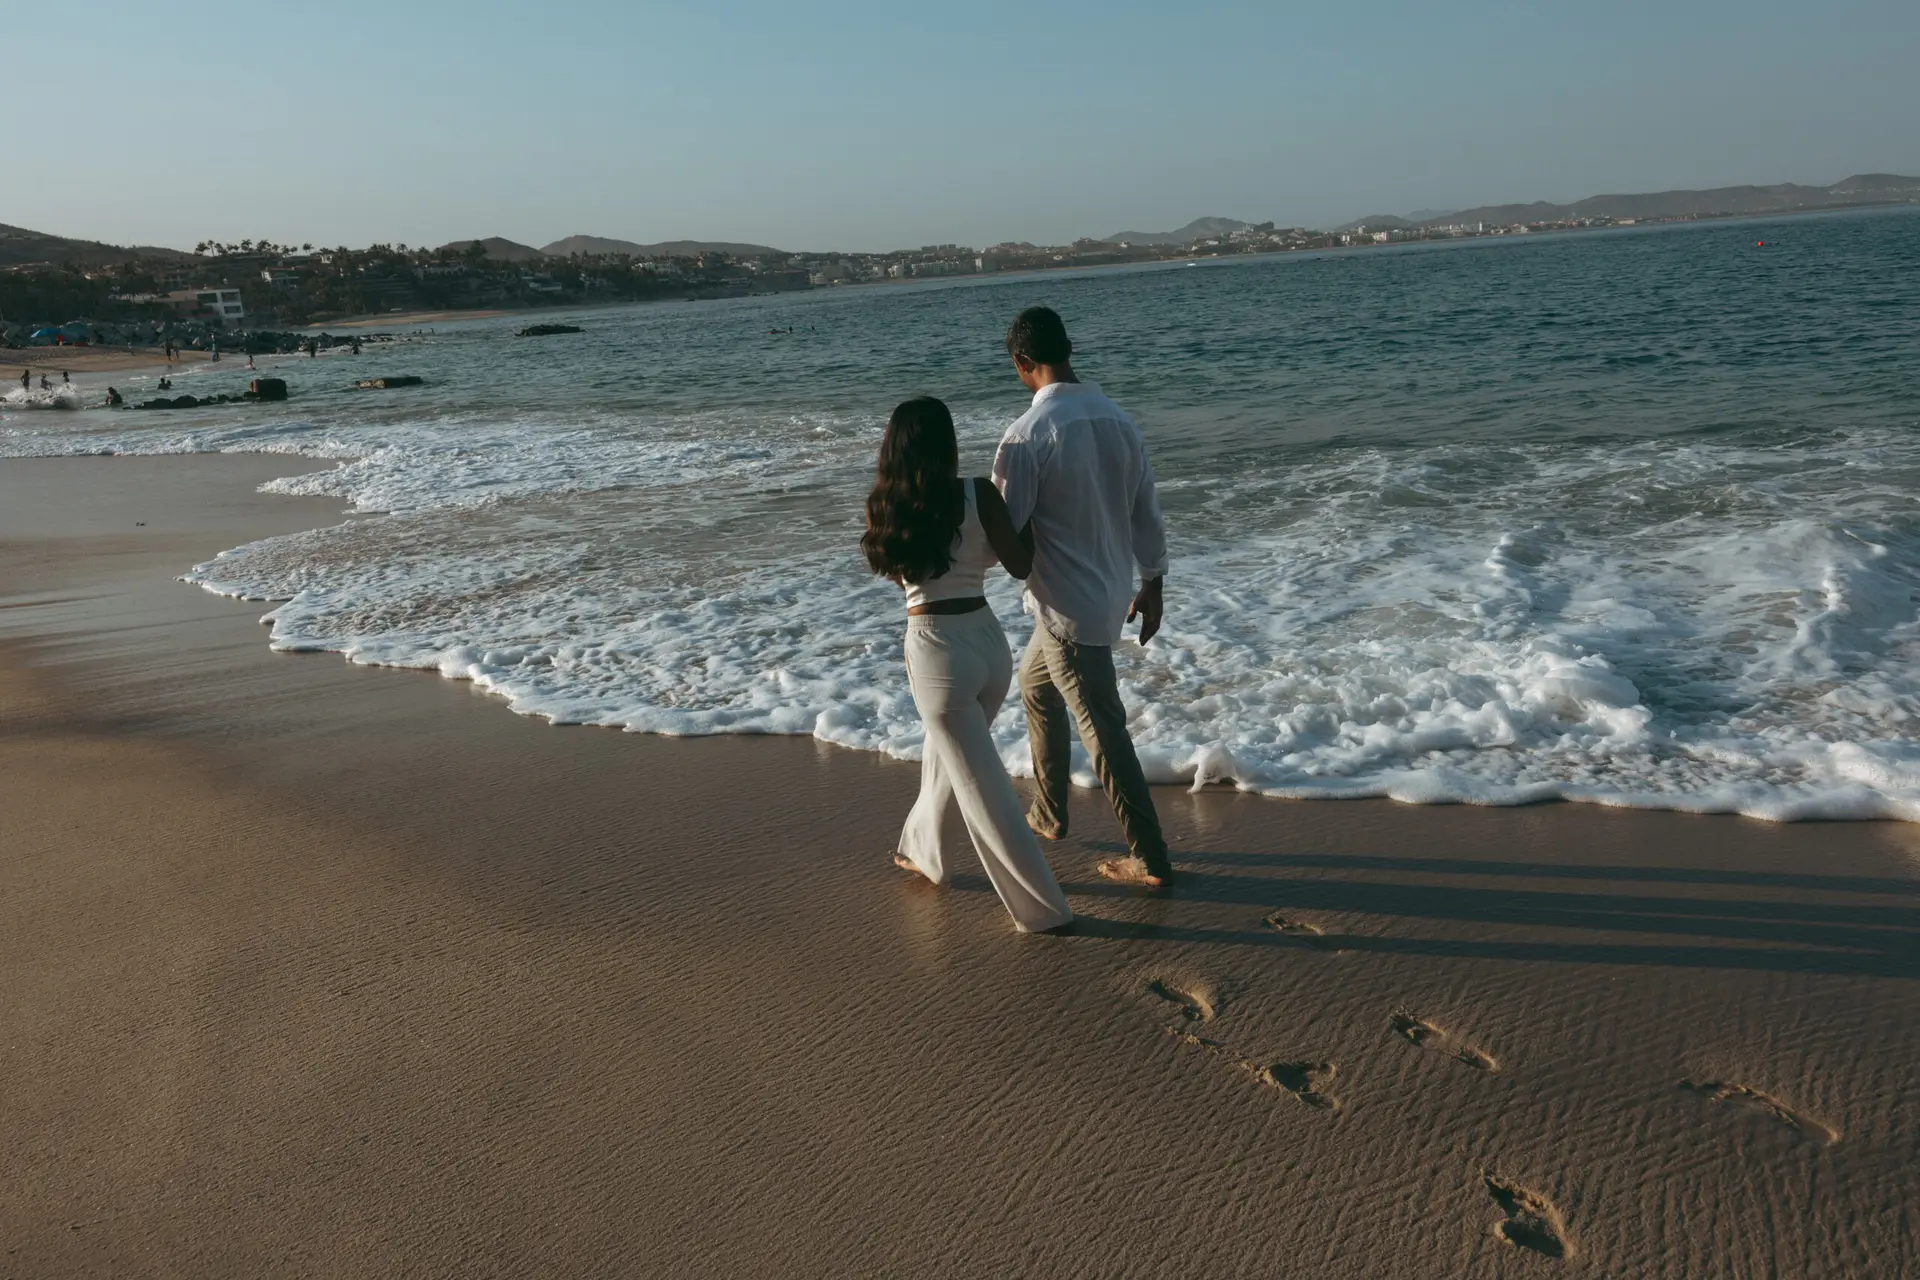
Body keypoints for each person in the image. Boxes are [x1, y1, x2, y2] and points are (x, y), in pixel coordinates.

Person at [865, 396, 1074, 935]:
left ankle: (1044, 910)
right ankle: (922, 850)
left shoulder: (884, 506)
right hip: (987, 644)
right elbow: (1020, 563)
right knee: (950, 757)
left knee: (987, 794)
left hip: (935, 647)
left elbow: (904, 577)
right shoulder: (978, 492)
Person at [993, 306, 1174, 888]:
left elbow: (1008, 533)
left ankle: (1149, 856)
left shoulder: (1026, 436)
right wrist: (1153, 583)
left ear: (1023, 364)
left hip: (1065, 608)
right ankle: (1049, 812)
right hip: (1106, 593)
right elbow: (1146, 512)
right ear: (1067, 350)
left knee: (1104, 732)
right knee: (1033, 687)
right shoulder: (1119, 420)